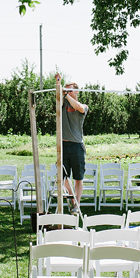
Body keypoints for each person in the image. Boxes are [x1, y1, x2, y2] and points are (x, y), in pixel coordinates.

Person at [57, 73, 89, 214]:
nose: (68, 92)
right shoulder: (63, 104)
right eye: (67, 90)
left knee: (78, 178)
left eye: (71, 90)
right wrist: (58, 83)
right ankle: (73, 199)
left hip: (77, 146)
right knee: (63, 178)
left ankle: (77, 204)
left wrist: (67, 94)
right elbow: (57, 96)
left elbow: (78, 107)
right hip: (63, 146)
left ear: (76, 92)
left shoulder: (82, 106)